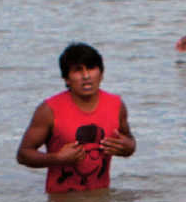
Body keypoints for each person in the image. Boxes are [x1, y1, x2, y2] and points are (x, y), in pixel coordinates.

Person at [15, 42, 135, 193]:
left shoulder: (116, 105)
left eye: (91, 68)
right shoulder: (48, 110)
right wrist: (57, 159)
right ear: (66, 78)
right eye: (78, 70)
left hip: (102, 199)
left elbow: (129, 141)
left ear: (101, 73)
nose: (86, 76)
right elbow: (23, 154)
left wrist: (127, 147)